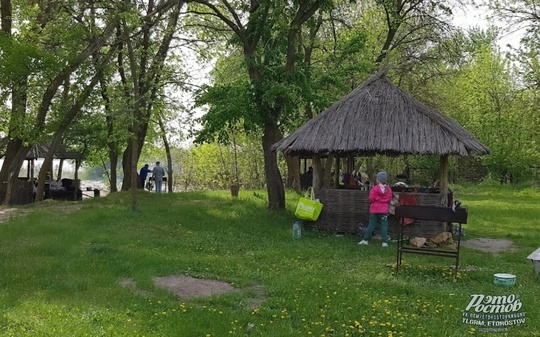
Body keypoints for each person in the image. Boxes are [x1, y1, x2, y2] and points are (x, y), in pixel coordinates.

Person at [359, 171, 393, 247]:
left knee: (371, 225)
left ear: (378, 179)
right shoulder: (389, 189)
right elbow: (390, 199)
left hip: (374, 209)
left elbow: (371, 198)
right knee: (384, 225)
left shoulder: (374, 189)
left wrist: (376, 200)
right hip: (384, 210)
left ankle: (365, 240)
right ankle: (384, 242)